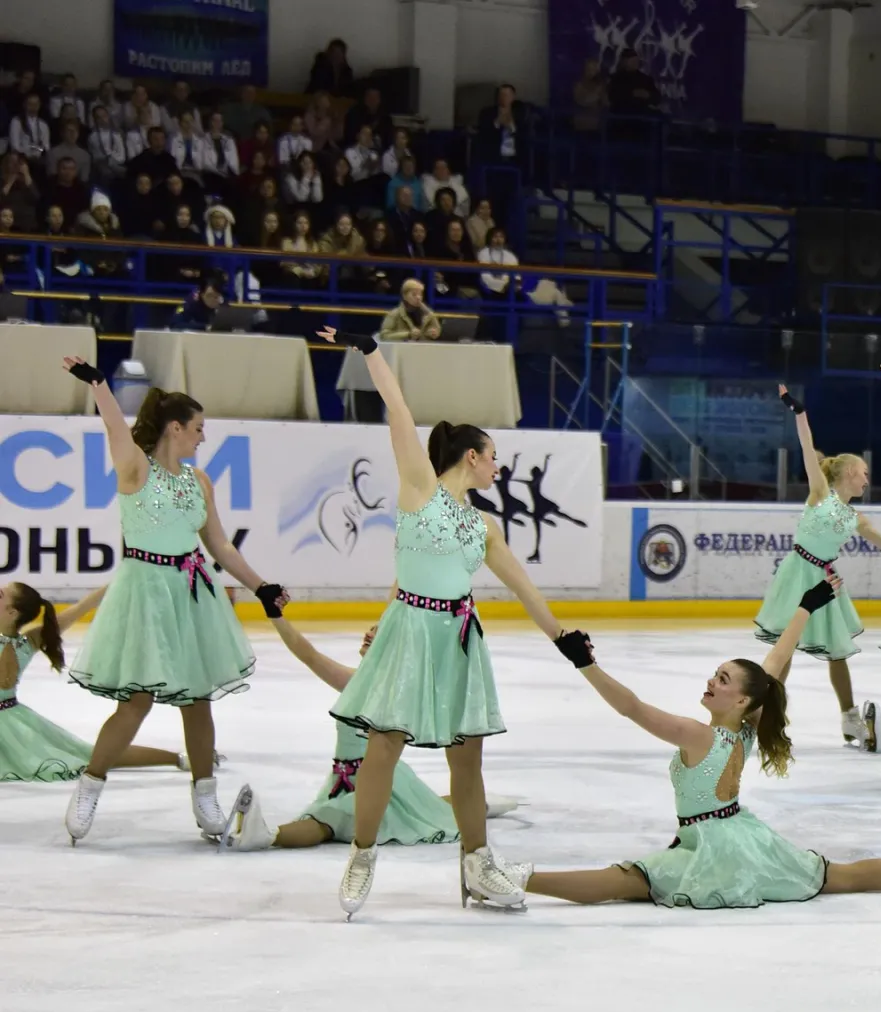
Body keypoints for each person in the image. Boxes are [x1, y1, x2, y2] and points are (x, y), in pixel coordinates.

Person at [312, 327, 582, 916]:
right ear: (471, 456)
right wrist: (371, 350)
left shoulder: (484, 526)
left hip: (460, 641)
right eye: (493, 459)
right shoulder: (418, 489)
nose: (496, 469)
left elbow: (523, 586)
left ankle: (477, 866)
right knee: (382, 747)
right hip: (411, 631)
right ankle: (361, 855)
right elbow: (399, 409)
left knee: (468, 757)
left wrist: (562, 635)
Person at [528, 579, 881, 907]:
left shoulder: (697, 734)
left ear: (741, 700)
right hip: (744, 838)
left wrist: (585, 663)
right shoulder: (745, 729)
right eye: (715, 673)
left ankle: (519, 879)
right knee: (843, 877)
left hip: (714, 848)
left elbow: (631, 707)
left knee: (623, 881)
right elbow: (774, 663)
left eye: (722, 679)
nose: (711, 681)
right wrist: (805, 607)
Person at [53, 365, 286, 843]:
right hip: (145, 593)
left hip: (192, 593)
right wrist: (99, 385)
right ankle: (91, 784)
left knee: (197, 701)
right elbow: (115, 428)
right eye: (198, 428)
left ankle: (205, 797)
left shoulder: (200, 481)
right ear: (174, 427)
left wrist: (262, 586)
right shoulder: (136, 467)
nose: (203, 436)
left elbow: (220, 546)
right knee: (136, 701)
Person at [222, 613, 517, 851]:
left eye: (378, 633)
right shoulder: (360, 683)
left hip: (375, 779)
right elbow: (308, 654)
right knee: (425, 807)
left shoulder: (393, 692)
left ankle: (267, 836)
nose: (369, 633)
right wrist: (276, 616)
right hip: (344, 777)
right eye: (372, 629)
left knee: (328, 822)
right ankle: (486, 803)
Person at [757, 384, 881, 753]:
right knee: (783, 650)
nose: (867, 479)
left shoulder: (857, 517)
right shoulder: (820, 493)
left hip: (826, 580)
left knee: (837, 652)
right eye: (863, 472)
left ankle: (850, 718)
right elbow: (807, 447)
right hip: (798, 574)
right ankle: (766, 714)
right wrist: (799, 411)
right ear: (848, 473)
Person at [1, 583, 189, 781]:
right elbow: (81, 607)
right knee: (91, 753)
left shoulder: (20, 644)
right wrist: (124, 578)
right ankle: (181, 758)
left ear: (12, 612)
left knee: (94, 754)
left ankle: (180, 758)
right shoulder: (30, 640)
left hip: (9, 727)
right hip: (15, 719)